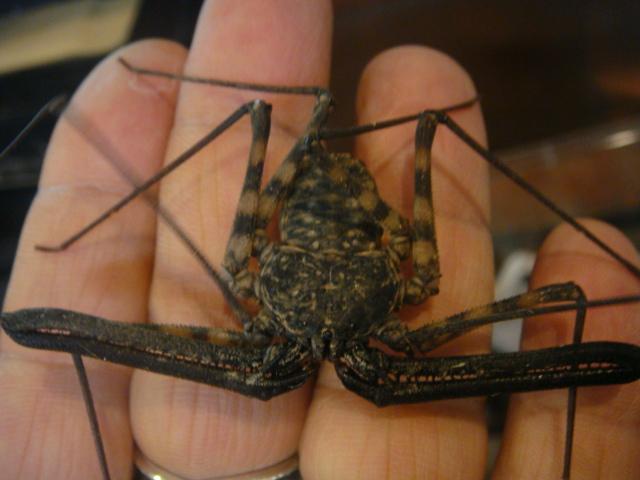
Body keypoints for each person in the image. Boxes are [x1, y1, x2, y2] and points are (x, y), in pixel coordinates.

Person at [1, 1, 638, 478]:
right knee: (264, 125)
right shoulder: (383, 313)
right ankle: (298, 128)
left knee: (431, 147)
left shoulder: (261, 292)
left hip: (347, 230)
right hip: (322, 224)